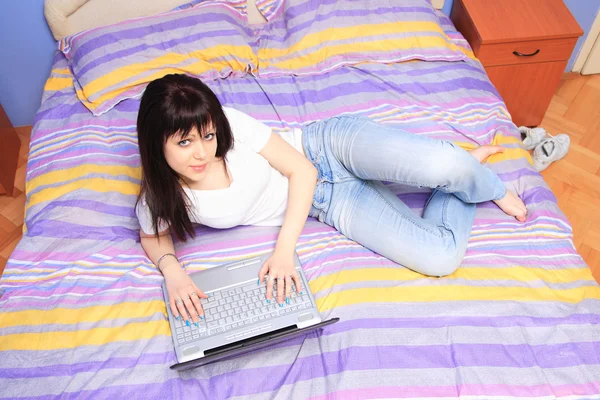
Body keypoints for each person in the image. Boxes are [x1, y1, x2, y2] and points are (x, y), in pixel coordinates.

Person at [135, 74, 527, 326]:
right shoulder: (160, 196)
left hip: (327, 147)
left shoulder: (231, 123)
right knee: (441, 257)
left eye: (207, 136)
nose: (202, 153)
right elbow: (153, 236)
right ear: (157, 145)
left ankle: (483, 180)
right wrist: (174, 273)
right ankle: (463, 176)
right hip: (328, 203)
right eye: (184, 143)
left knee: (444, 161)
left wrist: (284, 250)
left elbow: (302, 170)